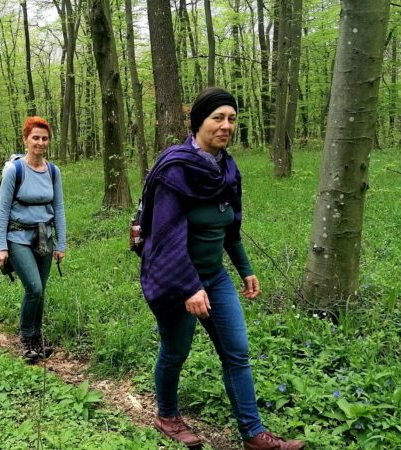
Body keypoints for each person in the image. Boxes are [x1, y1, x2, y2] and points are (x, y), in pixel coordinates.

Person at [139, 88, 304, 450]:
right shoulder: (174, 168)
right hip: (176, 280)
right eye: (218, 117)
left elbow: (230, 226)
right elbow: (163, 238)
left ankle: (254, 434)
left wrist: (245, 269)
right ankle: (166, 415)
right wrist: (188, 287)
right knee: (175, 350)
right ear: (199, 121)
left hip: (214, 277)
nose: (226, 125)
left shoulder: (227, 168)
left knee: (237, 351)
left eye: (232, 119)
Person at [0, 116, 66, 364]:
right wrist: (1, 247)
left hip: (45, 235)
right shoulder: (14, 171)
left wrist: (62, 243)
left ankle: (37, 338)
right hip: (17, 236)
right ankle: (26, 339)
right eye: (35, 137)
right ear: (25, 139)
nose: (40, 142)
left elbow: (58, 207)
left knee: (41, 290)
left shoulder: (53, 171)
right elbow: (3, 210)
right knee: (33, 288)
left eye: (44, 138)